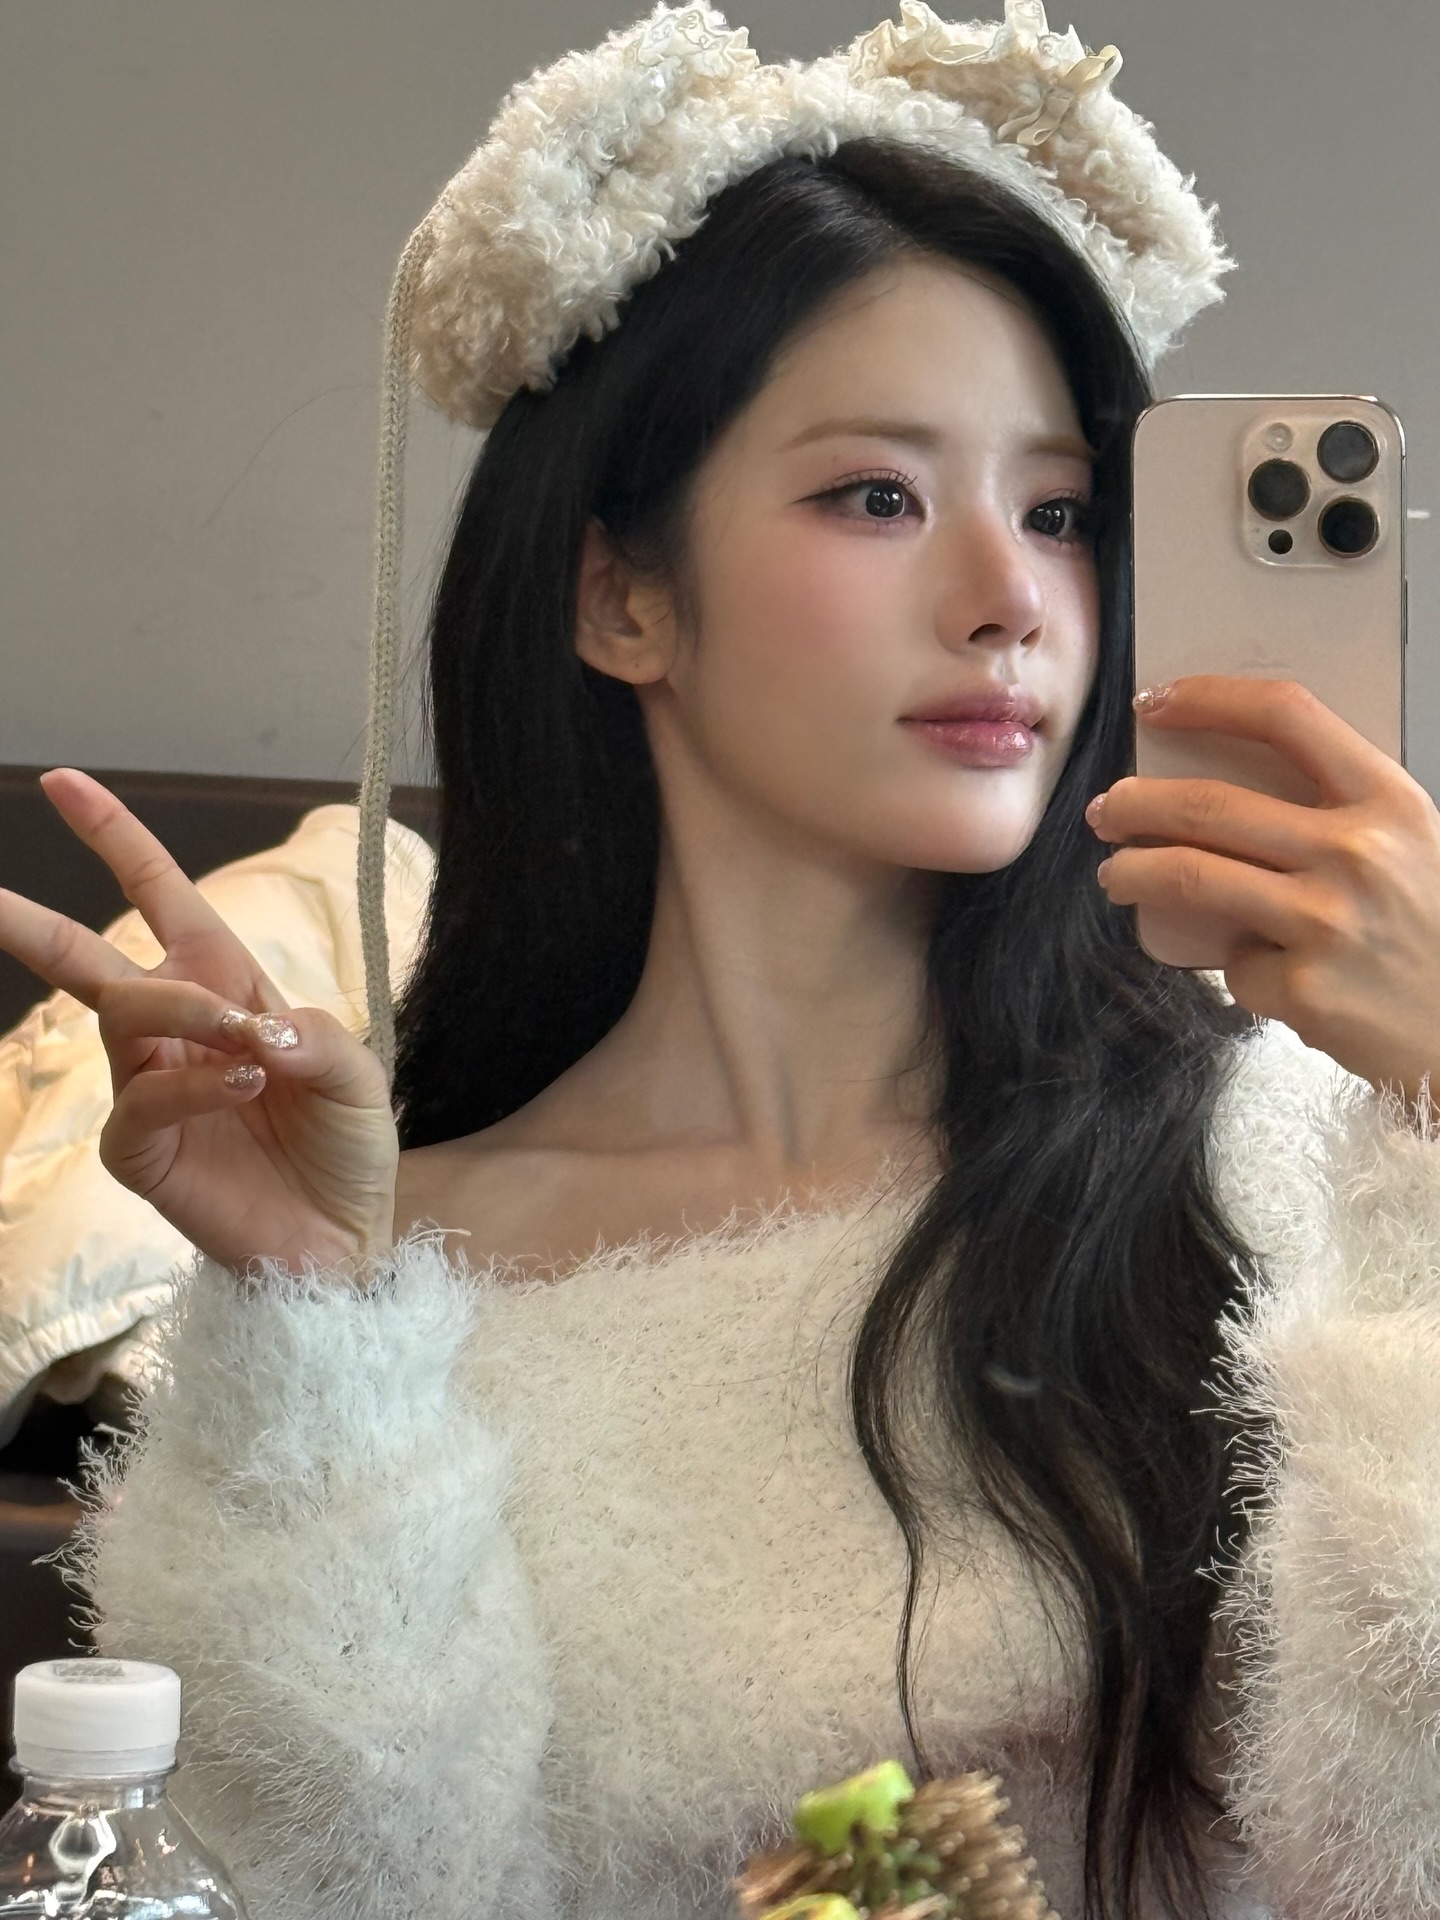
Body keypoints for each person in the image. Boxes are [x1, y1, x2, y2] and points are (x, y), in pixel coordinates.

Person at [4, 4, 1439, 1916]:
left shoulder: (1288, 1151)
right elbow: (354, 1890)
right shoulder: (410, 1278)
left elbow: (1401, 1858)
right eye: (877, 496)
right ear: (623, 594)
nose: (1010, 597)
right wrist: (310, 1328)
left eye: (1060, 512)